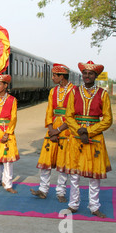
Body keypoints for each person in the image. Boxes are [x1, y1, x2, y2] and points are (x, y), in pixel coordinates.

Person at [64, 61, 112, 218]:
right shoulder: (74, 92)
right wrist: (79, 130)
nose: (87, 76)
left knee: (93, 176)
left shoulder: (103, 94)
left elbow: (107, 120)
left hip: (94, 138)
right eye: (84, 73)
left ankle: (94, 206)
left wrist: (89, 132)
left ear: (96, 76)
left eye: (90, 73)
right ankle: (73, 204)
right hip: (77, 136)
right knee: (75, 175)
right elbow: (68, 116)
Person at [30, 64, 75, 202]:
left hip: (67, 129)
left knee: (63, 163)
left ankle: (60, 192)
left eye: (55, 75)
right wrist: (51, 129)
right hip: (53, 128)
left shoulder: (74, 91)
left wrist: (58, 130)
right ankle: (43, 190)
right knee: (46, 161)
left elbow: (73, 114)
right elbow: (49, 110)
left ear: (62, 77)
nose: (52, 78)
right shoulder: (53, 91)